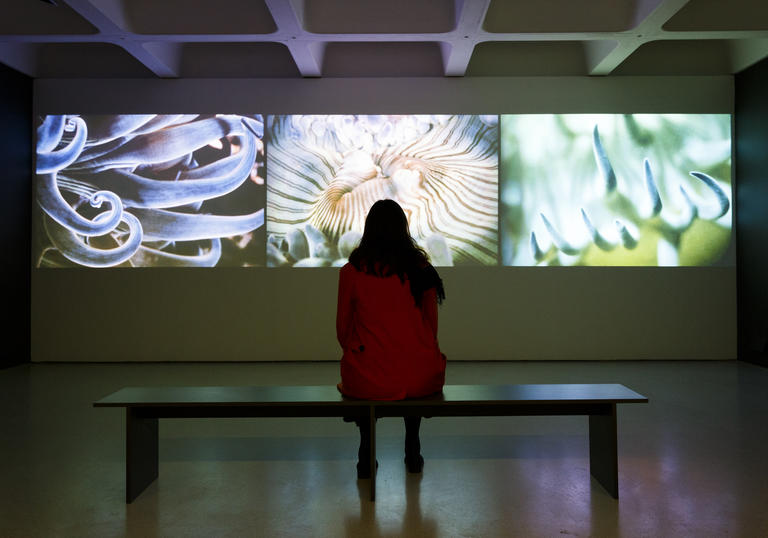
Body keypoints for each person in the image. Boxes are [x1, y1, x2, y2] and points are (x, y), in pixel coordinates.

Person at [336, 199, 446, 479]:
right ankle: (412, 445)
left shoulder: (351, 272)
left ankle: (365, 451)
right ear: (403, 229)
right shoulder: (422, 270)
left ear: (368, 229)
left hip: (368, 376)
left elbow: (343, 331)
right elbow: (431, 330)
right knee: (412, 365)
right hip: (418, 376)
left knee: (366, 370)